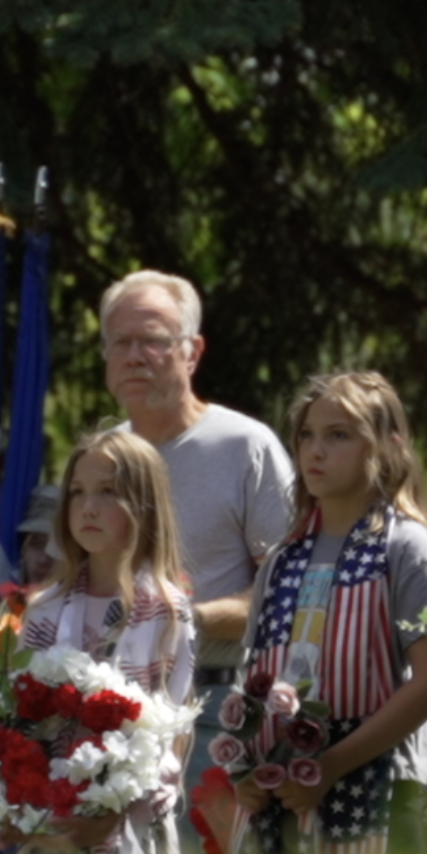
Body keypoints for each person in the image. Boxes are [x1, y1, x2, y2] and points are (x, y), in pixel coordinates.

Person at [223, 372, 427, 854]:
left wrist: (329, 766)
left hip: (376, 788)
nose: (315, 451)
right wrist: (246, 770)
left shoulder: (408, 549)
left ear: (388, 445)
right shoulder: (282, 559)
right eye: (307, 435)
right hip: (282, 794)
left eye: (338, 435)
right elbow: (255, 679)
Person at [3, 426, 197, 854]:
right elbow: (16, 717)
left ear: (145, 505)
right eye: (77, 492)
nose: (88, 508)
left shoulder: (167, 611)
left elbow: (173, 725)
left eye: (107, 492)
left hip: (129, 829)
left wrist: (114, 804)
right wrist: (10, 794)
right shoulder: (45, 609)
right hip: (49, 830)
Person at [100, 271, 298, 692]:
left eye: (152, 340)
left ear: (193, 352)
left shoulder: (245, 446)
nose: (134, 357)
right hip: (103, 697)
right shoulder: (99, 458)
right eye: (120, 342)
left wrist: (187, 619)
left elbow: (291, 590)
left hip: (213, 700)